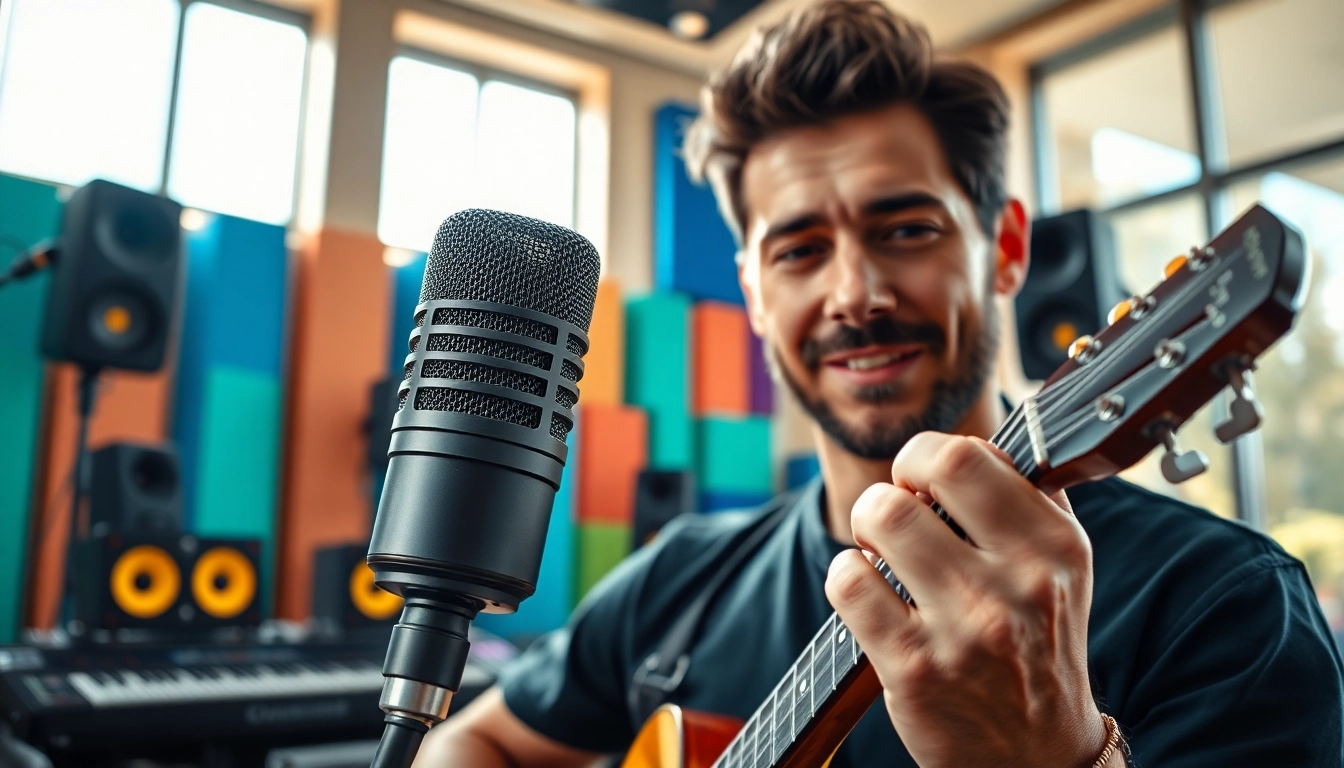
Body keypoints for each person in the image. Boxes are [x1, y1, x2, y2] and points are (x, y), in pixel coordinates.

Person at [416, 2, 1344, 765]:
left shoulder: (1225, 606)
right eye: (800, 249)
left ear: (1007, 250)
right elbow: (477, 742)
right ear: (752, 288)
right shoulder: (678, 576)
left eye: (905, 230)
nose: (853, 294)